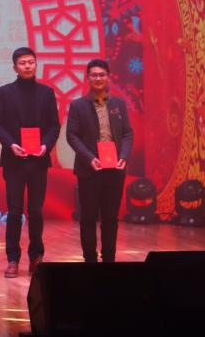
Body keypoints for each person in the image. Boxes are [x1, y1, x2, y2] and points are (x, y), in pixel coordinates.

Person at [0, 46, 61, 278]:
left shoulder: (46, 93)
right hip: (14, 160)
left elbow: (54, 125)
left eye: (31, 62)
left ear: (36, 64)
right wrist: (11, 144)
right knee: (14, 211)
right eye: (22, 63)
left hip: (38, 160)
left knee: (36, 211)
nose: (27, 66)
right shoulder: (4, 93)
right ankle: (12, 259)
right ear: (15, 67)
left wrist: (45, 146)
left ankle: (36, 256)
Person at [66, 59, 133, 263]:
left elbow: (127, 133)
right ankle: (90, 260)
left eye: (102, 74)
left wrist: (123, 156)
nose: (98, 78)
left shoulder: (118, 104)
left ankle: (109, 260)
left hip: (115, 170)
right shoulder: (78, 106)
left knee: (111, 218)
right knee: (88, 218)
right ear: (87, 78)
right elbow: (72, 135)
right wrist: (90, 158)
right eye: (94, 75)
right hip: (90, 170)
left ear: (108, 77)